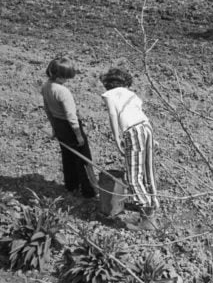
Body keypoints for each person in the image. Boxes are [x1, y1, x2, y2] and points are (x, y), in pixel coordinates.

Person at [99, 68, 159, 231]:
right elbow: (139, 113)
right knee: (148, 171)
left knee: (133, 176)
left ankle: (148, 218)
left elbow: (113, 115)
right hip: (146, 128)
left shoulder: (110, 95)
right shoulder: (132, 95)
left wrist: (117, 138)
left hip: (133, 132)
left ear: (108, 84)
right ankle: (152, 203)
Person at [41, 57, 97, 199]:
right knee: (83, 159)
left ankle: (71, 185)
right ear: (60, 75)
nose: (67, 80)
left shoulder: (46, 86)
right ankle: (89, 190)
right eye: (66, 77)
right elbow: (71, 115)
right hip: (70, 127)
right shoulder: (63, 91)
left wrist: (54, 127)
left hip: (59, 126)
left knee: (67, 156)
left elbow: (47, 109)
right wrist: (78, 134)